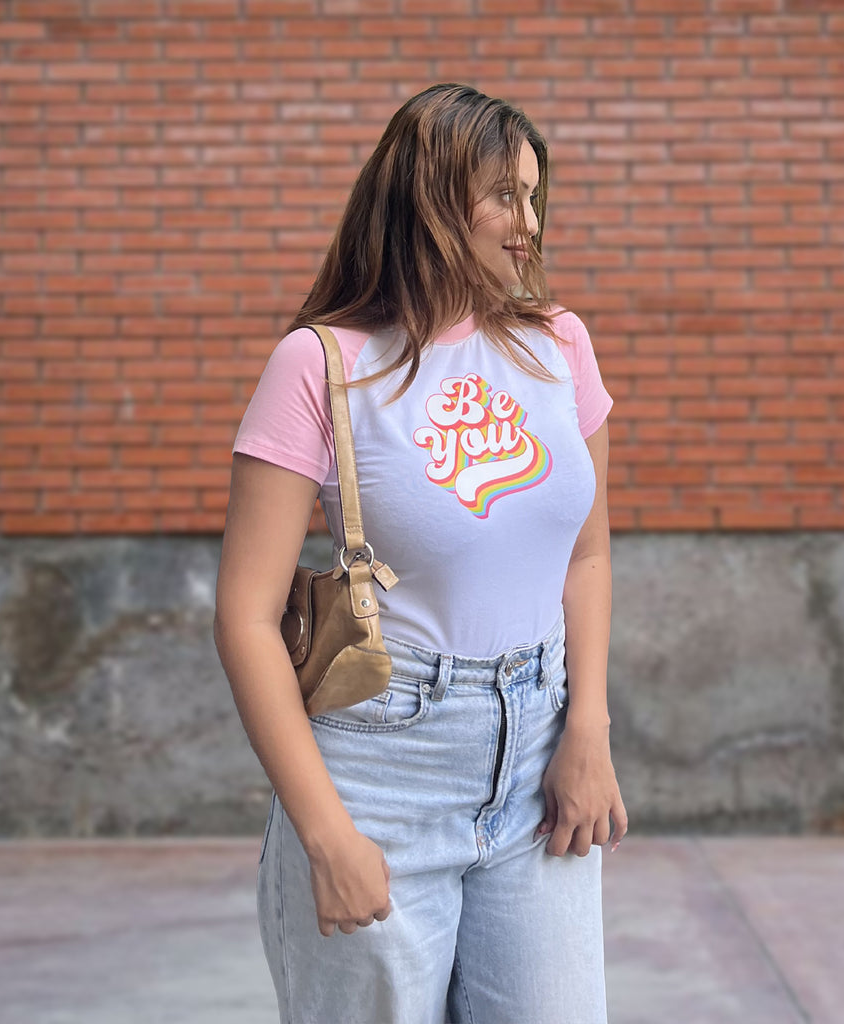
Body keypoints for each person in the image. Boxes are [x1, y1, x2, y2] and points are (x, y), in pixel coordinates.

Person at [214, 82, 627, 1024]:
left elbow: (589, 553)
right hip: (379, 769)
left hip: (538, 754)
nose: (529, 223)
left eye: (534, 196)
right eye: (504, 196)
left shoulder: (558, 346)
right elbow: (244, 617)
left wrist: (588, 730)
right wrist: (325, 834)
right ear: (432, 202)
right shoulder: (322, 365)